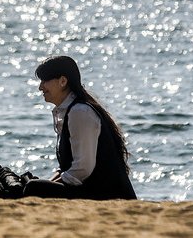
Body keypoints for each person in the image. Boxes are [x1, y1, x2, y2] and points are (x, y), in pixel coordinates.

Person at [23, 55, 137, 200]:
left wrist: (43, 187)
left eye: (45, 81)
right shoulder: (69, 110)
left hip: (105, 195)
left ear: (63, 81)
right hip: (89, 190)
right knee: (30, 184)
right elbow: (67, 168)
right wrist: (49, 183)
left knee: (33, 187)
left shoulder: (80, 112)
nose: (40, 87)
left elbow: (82, 169)